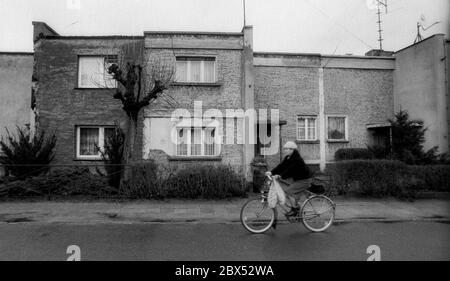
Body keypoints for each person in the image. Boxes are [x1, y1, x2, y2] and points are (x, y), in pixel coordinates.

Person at [266, 141, 312, 216]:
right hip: (298, 179)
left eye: (286, 149)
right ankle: (297, 208)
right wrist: (271, 172)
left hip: (304, 180)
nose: (285, 150)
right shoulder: (288, 157)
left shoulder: (297, 159)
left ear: (292, 149)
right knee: (287, 190)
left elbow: (290, 170)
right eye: (285, 149)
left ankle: (294, 210)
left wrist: (280, 175)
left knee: (289, 191)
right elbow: (281, 166)